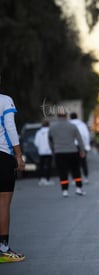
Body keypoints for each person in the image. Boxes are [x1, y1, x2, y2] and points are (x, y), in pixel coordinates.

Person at [0, 90, 25, 263]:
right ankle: (3, 250)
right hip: (3, 156)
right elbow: (10, 127)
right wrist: (18, 155)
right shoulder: (5, 100)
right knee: (3, 203)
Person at [48, 108, 86, 197]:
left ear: (58, 116)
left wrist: (53, 149)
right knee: (76, 170)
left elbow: (50, 140)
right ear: (66, 116)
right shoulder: (72, 126)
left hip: (59, 152)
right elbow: (79, 139)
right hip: (72, 151)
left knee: (62, 172)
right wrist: (82, 150)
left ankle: (65, 190)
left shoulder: (52, 127)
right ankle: (78, 188)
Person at [70, 112, 91, 183]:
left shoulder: (69, 125)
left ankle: (74, 178)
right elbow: (86, 135)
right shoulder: (82, 125)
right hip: (81, 146)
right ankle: (86, 177)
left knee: (73, 163)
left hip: (72, 146)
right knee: (83, 162)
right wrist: (87, 145)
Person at [34, 119, 54, 186]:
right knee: (48, 166)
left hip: (41, 152)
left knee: (41, 166)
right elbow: (53, 141)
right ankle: (47, 179)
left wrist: (40, 147)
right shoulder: (50, 131)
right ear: (49, 124)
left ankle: (41, 179)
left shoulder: (39, 132)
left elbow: (36, 143)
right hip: (49, 151)